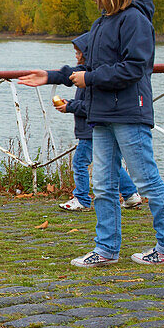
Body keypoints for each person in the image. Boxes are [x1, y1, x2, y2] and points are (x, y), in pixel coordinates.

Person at [19, 0, 164, 267]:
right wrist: (52, 75)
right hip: (103, 116)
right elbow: (88, 69)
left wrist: (89, 78)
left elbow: (134, 68)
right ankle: (107, 248)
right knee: (103, 185)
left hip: (129, 114)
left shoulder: (135, 20)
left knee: (147, 180)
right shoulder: (101, 24)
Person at [55, 33, 143, 213]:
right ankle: (130, 194)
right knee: (111, 163)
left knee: (80, 162)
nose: (76, 56)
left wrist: (70, 106)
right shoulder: (87, 75)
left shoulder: (90, 77)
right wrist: (71, 104)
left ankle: (82, 198)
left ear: (87, 53)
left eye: (78, 53)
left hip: (90, 128)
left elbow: (90, 106)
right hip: (94, 127)